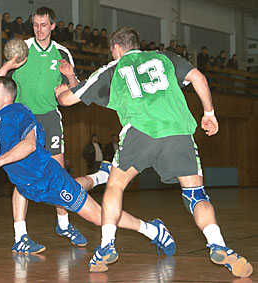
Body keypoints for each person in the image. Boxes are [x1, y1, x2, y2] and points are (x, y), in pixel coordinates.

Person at [55, 27, 253, 278]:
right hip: (178, 132)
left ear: (116, 49)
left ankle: (106, 245)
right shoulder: (165, 57)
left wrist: (62, 89)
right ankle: (218, 244)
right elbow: (199, 78)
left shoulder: (112, 69)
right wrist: (209, 113)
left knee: (115, 185)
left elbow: (69, 100)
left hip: (140, 132)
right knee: (195, 195)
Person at [0, 76, 175, 256]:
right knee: (54, 191)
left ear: (7, 98)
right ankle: (100, 176)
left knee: (98, 216)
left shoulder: (17, 112)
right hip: (30, 184)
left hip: (49, 179)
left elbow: (29, 145)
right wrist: (9, 64)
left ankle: (154, 231)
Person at [0, 6, 87, 250]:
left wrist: (71, 77)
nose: (39, 29)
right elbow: (1, 80)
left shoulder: (62, 52)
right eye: (35, 24)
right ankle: (20, 236)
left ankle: (63, 224)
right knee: (23, 178)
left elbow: (74, 89)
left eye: (44, 25)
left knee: (58, 172)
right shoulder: (21, 49)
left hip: (50, 117)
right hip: (23, 120)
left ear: (53, 26)